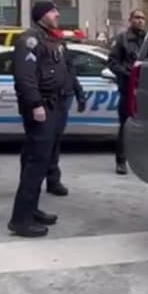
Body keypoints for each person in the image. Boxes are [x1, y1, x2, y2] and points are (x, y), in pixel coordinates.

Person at [7, 1, 71, 238]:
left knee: (42, 161)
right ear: (42, 15)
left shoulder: (51, 40)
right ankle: (20, 219)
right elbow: (25, 77)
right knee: (36, 162)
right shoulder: (30, 40)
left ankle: (32, 209)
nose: (57, 14)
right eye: (53, 11)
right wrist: (35, 104)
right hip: (41, 106)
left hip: (54, 105)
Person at [45, 33, 87, 197]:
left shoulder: (63, 49)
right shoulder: (42, 47)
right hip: (49, 99)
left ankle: (53, 180)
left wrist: (79, 95)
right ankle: (34, 183)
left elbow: (71, 73)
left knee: (56, 141)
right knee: (44, 142)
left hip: (65, 97)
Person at [106, 9, 146, 176]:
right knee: (125, 126)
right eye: (137, 17)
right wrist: (128, 74)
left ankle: (141, 161)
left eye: (142, 18)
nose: (140, 20)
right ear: (130, 20)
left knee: (144, 128)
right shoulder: (122, 39)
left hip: (145, 91)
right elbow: (112, 62)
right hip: (128, 90)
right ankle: (121, 161)